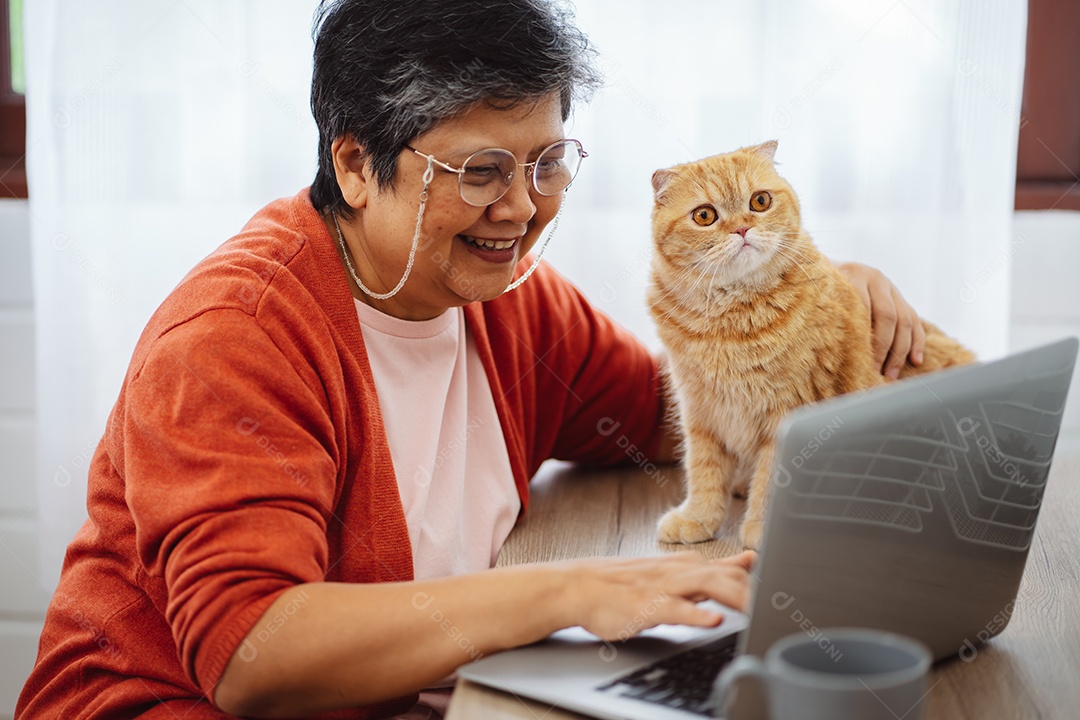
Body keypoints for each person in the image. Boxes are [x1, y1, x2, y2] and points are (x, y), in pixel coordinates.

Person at [15, 1, 927, 718]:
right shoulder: (234, 338)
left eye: (548, 163)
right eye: (482, 171)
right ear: (358, 164)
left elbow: (678, 414)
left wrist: (809, 304)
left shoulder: (509, 299)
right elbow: (251, 653)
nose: (524, 210)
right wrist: (572, 590)